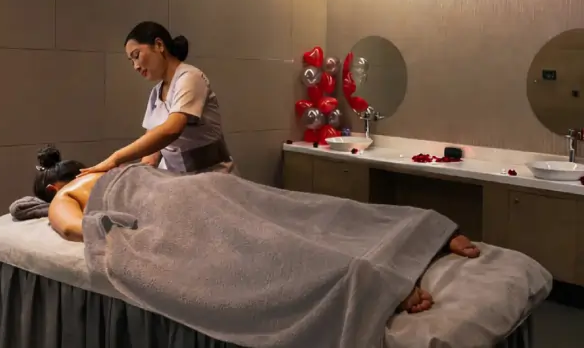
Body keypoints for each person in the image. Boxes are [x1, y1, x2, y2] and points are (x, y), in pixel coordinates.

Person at [33, 146, 480, 315]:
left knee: (266, 246)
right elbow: (152, 160)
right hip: (196, 186)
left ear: (53, 185)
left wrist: (119, 234)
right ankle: (423, 232)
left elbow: (74, 230)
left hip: (166, 205)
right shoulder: (110, 169)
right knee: (300, 212)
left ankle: (373, 282)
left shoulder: (64, 194)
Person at [78, 21, 236, 177]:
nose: (136, 66)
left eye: (136, 56)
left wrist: (116, 158)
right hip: (176, 178)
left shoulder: (190, 77)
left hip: (212, 176)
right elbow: (152, 150)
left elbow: (171, 129)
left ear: (159, 45)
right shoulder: (156, 93)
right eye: (131, 61)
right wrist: (133, 170)